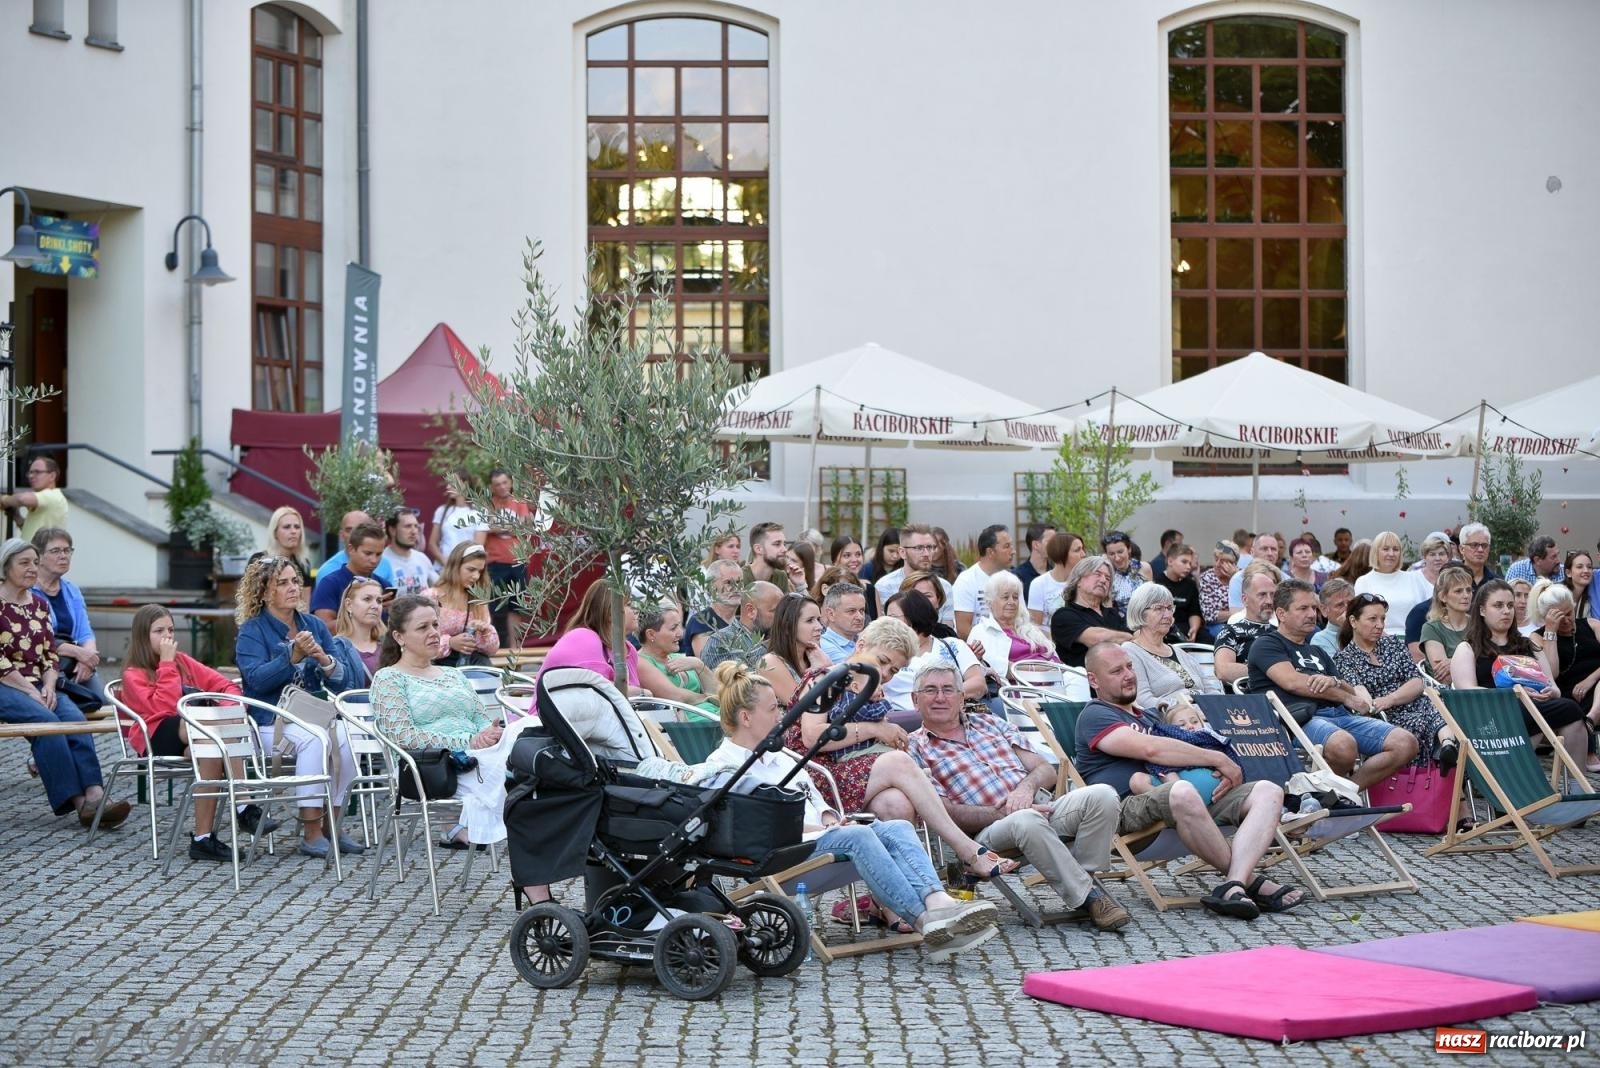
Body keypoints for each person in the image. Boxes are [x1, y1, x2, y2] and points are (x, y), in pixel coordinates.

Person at [700, 662, 999, 959]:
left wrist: (830, 818)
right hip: (778, 856)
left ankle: (939, 902)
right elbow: (748, 831)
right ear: (746, 717)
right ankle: (926, 922)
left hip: (818, 842)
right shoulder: (726, 768)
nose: (781, 716)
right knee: (859, 836)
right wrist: (822, 830)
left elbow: (816, 800)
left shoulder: (782, 759)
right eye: (773, 709)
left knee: (898, 828)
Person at [1076, 643, 1305, 918]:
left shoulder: (1149, 716)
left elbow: (1181, 750)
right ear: (1094, 680)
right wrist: (1216, 759)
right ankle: (1255, 883)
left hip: (1186, 805)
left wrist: (1219, 771)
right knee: (1181, 790)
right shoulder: (1096, 714)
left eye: (1129, 666)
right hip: (1127, 810)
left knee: (1267, 790)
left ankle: (1234, 885)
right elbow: (1151, 749)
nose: (1128, 675)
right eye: (1116, 671)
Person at [783, 616, 1019, 880]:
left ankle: (894, 903)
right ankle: (968, 850)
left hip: (857, 777)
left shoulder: (873, 688)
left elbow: (872, 744)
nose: (886, 674)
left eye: (894, 670)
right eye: (883, 662)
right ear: (861, 645)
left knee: (896, 805)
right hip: (816, 779)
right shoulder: (828, 679)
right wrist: (876, 730)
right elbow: (812, 737)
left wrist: (889, 737)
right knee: (900, 763)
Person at [907, 661, 1130, 931]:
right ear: (915, 700)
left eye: (948, 690)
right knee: (1026, 820)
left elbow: (1044, 769)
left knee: (1103, 795)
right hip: (987, 833)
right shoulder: (915, 747)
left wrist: (1025, 790)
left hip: (1042, 808)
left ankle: (1084, 879)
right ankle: (1091, 899)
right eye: (930, 690)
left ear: (961, 696)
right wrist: (1009, 812)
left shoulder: (990, 723)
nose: (940, 697)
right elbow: (945, 813)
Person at [370, 597, 542, 888]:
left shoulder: (453, 675)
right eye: (422, 627)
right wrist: (468, 741)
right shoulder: (389, 679)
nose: (434, 632)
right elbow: (403, 736)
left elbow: (479, 718)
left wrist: (489, 734)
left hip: (477, 757)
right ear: (399, 637)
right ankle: (537, 883)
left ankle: (539, 875)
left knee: (529, 727)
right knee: (524, 787)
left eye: (435, 624)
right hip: (431, 768)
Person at [117, 604, 281, 859]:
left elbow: (226, 686)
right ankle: (244, 804)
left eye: (170, 629)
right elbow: (166, 708)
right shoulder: (133, 674)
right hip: (156, 735)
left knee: (214, 748)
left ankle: (203, 839)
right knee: (210, 729)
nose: (167, 637)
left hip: (196, 733)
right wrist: (167, 665)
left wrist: (227, 709)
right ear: (142, 636)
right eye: (158, 631)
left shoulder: (183, 661)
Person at [233, 555, 361, 857]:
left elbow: (343, 684)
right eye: (282, 583)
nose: (293, 588)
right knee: (314, 740)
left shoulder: (314, 625)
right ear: (264, 592)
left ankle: (334, 823)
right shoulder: (252, 631)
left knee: (347, 740)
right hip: (269, 723)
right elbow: (255, 681)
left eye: (295, 581)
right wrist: (290, 657)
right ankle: (311, 830)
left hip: (312, 715)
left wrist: (324, 661)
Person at [0, 538, 129, 831]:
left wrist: (48, 684)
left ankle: (96, 793)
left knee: (73, 719)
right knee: (46, 722)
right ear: (6, 567)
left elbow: (50, 653)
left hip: (40, 682)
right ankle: (78, 802)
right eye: (25, 563)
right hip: (7, 683)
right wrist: (32, 691)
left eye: (35, 562)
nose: (32, 568)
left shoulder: (39, 604)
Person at [1247, 580, 1418, 789]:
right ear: (1281, 614)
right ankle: (1332, 797)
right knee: (1344, 746)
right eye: (1303, 608)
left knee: (1405, 743)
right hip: (1297, 720)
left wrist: (1334, 681)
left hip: (1340, 717)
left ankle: (1344, 794)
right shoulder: (1267, 644)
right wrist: (1345, 697)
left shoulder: (1316, 651)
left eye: (1313, 608)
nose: (1312, 614)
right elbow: (1293, 683)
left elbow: (1347, 687)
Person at [1451, 580, 1591, 770]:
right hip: (1491, 716)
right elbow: (1466, 692)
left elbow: (1554, 688)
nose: (1506, 611)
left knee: (1570, 709)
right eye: (1498, 605)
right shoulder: (1467, 648)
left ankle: (1576, 786)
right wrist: (1514, 693)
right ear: (1482, 610)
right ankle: (1512, 772)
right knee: (1524, 708)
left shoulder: (1528, 645)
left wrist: (1549, 692)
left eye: (1510, 605)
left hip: (1533, 708)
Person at [1334, 592, 1457, 771]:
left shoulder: (1392, 645)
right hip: (1385, 717)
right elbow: (1362, 695)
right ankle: (1445, 746)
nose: (1380, 625)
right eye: (1372, 619)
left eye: (1383, 619)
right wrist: (1381, 703)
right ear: (1353, 622)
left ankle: (1447, 748)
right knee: (1422, 721)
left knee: (1439, 702)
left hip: (1412, 702)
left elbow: (1416, 681)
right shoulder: (1344, 658)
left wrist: (1391, 698)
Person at [30, 527, 107, 709]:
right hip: (41, 665)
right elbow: (39, 638)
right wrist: (78, 652)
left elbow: (85, 632)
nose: (63, 556)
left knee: (102, 702)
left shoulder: (72, 590)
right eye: (55, 551)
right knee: (68, 707)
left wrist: (87, 660)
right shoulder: (27, 591)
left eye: (67, 550)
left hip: (72, 663)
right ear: (39, 557)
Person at [881, 590, 989, 712]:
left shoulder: (954, 645)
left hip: (950, 717)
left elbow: (978, 683)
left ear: (914, 616)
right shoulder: (882, 653)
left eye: (892, 618)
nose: (886, 623)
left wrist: (940, 697)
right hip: (901, 721)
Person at [1120, 583, 1219, 714]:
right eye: (1159, 608)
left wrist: (1215, 710)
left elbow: (1210, 689)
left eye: (1169, 608)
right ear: (1140, 612)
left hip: (1205, 717)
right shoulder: (1131, 651)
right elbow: (1143, 700)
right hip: (1172, 723)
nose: (1167, 615)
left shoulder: (1179, 652)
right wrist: (1184, 711)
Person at [1528, 579, 1600, 736]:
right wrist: (1551, 632)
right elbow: (1552, 673)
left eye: (1569, 613)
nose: (1567, 620)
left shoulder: (1592, 624)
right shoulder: (1538, 637)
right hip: (1572, 694)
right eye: (1560, 617)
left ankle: (1591, 720)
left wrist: (1591, 679)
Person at [1128, 702, 1240, 798]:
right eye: (1182, 724)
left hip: (1215, 794)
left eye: (1195, 721)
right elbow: (1159, 766)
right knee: (1137, 780)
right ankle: (1173, 805)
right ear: (1169, 729)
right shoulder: (1167, 744)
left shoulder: (1212, 739)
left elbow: (1232, 764)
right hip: (1176, 795)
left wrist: (1226, 773)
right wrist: (1178, 786)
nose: (1190, 726)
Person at [969, 570, 1059, 683]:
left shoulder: (1028, 629)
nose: (1012, 602)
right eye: (1005, 597)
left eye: (1015, 597)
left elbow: (1053, 655)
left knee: (1079, 674)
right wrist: (1041, 669)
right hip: (1019, 691)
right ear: (990, 602)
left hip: (1054, 682)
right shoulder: (981, 631)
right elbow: (999, 668)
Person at [1050, 556, 1132, 668]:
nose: (1103, 580)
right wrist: (1128, 638)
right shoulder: (1064, 615)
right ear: (1078, 580)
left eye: (1108, 578)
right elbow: (1098, 639)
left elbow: (1135, 640)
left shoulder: (1113, 614)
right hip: (1084, 681)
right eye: (1097, 574)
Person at [636, 602, 718, 713]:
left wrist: (699, 665)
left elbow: (718, 695)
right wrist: (707, 698)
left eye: (679, 626)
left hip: (714, 717)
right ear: (651, 634)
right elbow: (676, 697)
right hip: (688, 725)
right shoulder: (640, 662)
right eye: (673, 628)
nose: (680, 634)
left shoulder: (679, 657)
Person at [431, 542, 501, 667]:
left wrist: (485, 632)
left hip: (473, 665)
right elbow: (418, 644)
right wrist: (450, 643)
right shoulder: (431, 598)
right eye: (471, 569)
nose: (476, 576)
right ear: (455, 566)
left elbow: (492, 650)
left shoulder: (478, 600)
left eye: (479, 571)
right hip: (438, 668)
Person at [484, 469, 533, 644]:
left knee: (516, 608)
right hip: (495, 563)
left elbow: (526, 525)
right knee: (494, 607)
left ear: (510, 483)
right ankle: (493, 646)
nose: (502, 487)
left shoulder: (519, 502)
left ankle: (514, 651)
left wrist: (499, 526)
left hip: (517, 562)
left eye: (505, 483)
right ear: (492, 487)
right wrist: (513, 526)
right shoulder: (488, 504)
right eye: (498, 484)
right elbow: (488, 526)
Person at [874, 524, 955, 627]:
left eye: (930, 547)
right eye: (919, 548)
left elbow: (947, 630)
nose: (926, 553)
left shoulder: (944, 586)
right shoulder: (885, 586)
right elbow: (885, 629)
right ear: (902, 552)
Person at [1212, 563, 1279, 686]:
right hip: (1251, 699)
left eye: (1272, 595)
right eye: (1262, 595)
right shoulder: (1230, 632)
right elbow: (1223, 670)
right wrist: (1277, 673)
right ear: (1245, 599)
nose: (1269, 601)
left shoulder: (1282, 632)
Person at [1353, 532, 1432, 637]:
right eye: (1386, 549)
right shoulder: (1363, 582)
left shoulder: (1414, 578)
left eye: (1395, 549)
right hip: (1378, 642)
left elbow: (1430, 613)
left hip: (1415, 641)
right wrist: (1392, 644)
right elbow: (1363, 620)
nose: (1391, 554)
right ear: (1375, 552)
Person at [759, 592, 831, 705]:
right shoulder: (770, 662)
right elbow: (801, 708)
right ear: (788, 627)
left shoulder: (815, 656)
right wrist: (820, 671)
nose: (819, 627)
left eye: (818, 619)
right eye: (810, 620)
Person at [310, 522, 387, 625]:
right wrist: (363, 615)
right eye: (368, 553)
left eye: (379, 554)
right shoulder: (330, 584)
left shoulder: (385, 586)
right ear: (351, 549)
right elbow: (324, 628)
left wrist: (393, 612)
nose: (374, 560)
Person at [700, 580, 783, 671]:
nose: (781, 617)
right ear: (751, 611)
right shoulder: (721, 642)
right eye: (775, 611)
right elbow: (737, 682)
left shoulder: (780, 638)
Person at [951, 524, 1014, 639]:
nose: (1013, 551)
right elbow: (963, 629)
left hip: (1012, 645)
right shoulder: (966, 581)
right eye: (1007, 546)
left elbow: (1020, 619)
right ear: (990, 552)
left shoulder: (1012, 580)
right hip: (979, 650)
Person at [1419, 565, 1474, 683]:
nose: (1466, 595)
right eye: (1458, 591)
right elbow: (1444, 677)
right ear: (1443, 597)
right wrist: (1473, 662)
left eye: (1469, 590)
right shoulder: (1432, 628)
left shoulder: (1478, 624)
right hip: (1447, 695)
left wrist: (1454, 662)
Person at [330, 577, 386, 686]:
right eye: (367, 599)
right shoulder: (336, 648)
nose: (375, 606)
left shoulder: (390, 645)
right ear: (348, 605)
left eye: (379, 601)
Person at [318, 510, 396, 587]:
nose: (354, 534)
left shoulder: (385, 564)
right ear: (341, 535)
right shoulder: (327, 571)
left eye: (361, 530)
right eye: (349, 530)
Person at [682, 559, 743, 658]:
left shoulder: (743, 622)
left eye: (739, 582)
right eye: (728, 582)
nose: (736, 587)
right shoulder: (701, 621)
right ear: (711, 587)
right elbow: (710, 662)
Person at [2, 456, 68, 540]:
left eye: (37, 472)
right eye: (30, 472)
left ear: (52, 476)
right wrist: (17, 517)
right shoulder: (45, 499)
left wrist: (3, 500)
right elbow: (35, 535)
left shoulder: (53, 495)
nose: (31, 476)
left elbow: (22, 499)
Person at [1027, 532, 1085, 625]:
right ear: (1062, 553)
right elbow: (1035, 626)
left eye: (1082, 549)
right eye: (1077, 550)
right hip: (1048, 638)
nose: (1083, 554)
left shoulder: (1085, 581)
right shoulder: (1039, 584)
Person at [381, 510, 439, 598]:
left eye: (416, 526)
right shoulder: (381, 561)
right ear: (392, 530)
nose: (414, 531)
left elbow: (441, 586)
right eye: (408, 526)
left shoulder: (422, 558)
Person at [1152, 543, 1202, 642]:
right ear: (1170, 561)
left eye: (1190, 563)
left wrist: (1194, 629)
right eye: (1184, 562)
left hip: (1186, 628)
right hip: (1164, 628)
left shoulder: (1190, 585)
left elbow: (1194, 612)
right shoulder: (1156, 583)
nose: (1188, 567)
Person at [428, 485, 486, 567]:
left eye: (452, 483)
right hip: (442, 568)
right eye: (447, 484)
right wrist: (445, 562)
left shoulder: (479, 512)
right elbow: (432, 544)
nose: (448, 487)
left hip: (465, 568)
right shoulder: (442, 510)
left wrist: (462, 566)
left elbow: (478, 546)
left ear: (465, 484)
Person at [1198, 540, 1240, 641]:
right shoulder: (1207, 578)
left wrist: (1235, 579)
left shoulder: (1241, 577)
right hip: (1217, 626)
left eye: (1223, 561)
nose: (1217, 564)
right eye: (1216, 559)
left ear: (1233, 563)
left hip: (1240, 624)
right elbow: (1209, 615)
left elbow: (1251, 607)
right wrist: (1239, 612)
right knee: (1229, 636)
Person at [818, 582, 868, 663]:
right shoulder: (823, 645)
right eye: (851, 611)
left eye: (862, 610)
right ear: (831, 614)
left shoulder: (864, 639)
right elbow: (854, 671)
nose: (860, 617)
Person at [263, 506, 314, 586]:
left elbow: (305, 598)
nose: (293, 531)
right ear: (275, 532)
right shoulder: (260, 562)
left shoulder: (303, 564)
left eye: (297, 527)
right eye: (287, 527)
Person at [1099, 531, 1148, 614]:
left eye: (1120, 552)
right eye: (1111, 554)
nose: (1117, 558)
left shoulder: (1144, 568)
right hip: (1119, 622)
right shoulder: (1106, 575)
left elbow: (1152, 598)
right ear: (1106, 554)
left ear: (1129, 549)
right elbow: (1108, 608)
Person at [1228, 533, 1280, 610]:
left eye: (1273, 549)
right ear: (1252, 552)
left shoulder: (1286, 578)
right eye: (1264, 549)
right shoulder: (1239, 579)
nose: (1270, 553)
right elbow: (1235, 613)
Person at [859, 527, 901, 618]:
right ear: (881, 547)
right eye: (891, 551)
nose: (895, 556)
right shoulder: (868, 569)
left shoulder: (903, 569)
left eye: (899, 552)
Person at [1309, 577, 1353, 660]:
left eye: (1351, 603)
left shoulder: (1368, 629)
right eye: (1340, 605)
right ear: (1324, 610)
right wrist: (1349, 630)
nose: (1348, 609)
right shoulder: (1320, 640)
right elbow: (1340, 669)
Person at [743, 521, 791, 593]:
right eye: (777, 544)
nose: (784, 549)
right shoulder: (740, 578)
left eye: (784, 544)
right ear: (758, 549)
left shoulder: (781, 576)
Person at [1012, 524, 1056, 599]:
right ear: (1036, 545)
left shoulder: (1055, 574)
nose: (1056, 545)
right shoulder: (1017, 576)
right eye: (1051, 542)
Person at [1456, 523, 1500, 589]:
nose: (1480, 550)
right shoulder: (1452, 579)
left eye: (1484, 545)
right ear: (1462, 549)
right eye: (1474, 545)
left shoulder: (1497, 583)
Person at [1564, 550, 1598, 622]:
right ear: (1568, 573)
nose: (1586, 570)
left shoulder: (1587, 602)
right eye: (1579, 567)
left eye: (1589, 567)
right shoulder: (1558, 595)